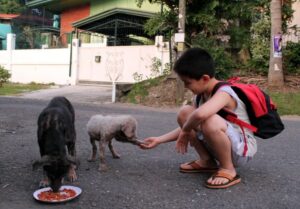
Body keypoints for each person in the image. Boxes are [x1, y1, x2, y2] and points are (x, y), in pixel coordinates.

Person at [140, 48, 257, 189]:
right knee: (185, 113)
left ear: (205, 78)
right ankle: (207, 161)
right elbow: (189, 122)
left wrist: (185, 131)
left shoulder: (224, 93)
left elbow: (200, 116)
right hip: (223, 145)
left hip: (241, 151)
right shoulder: (200, 96)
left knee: (209, 119)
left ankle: (228, 168)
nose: (186, 87)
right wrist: (159, 140)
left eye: (188, 82)